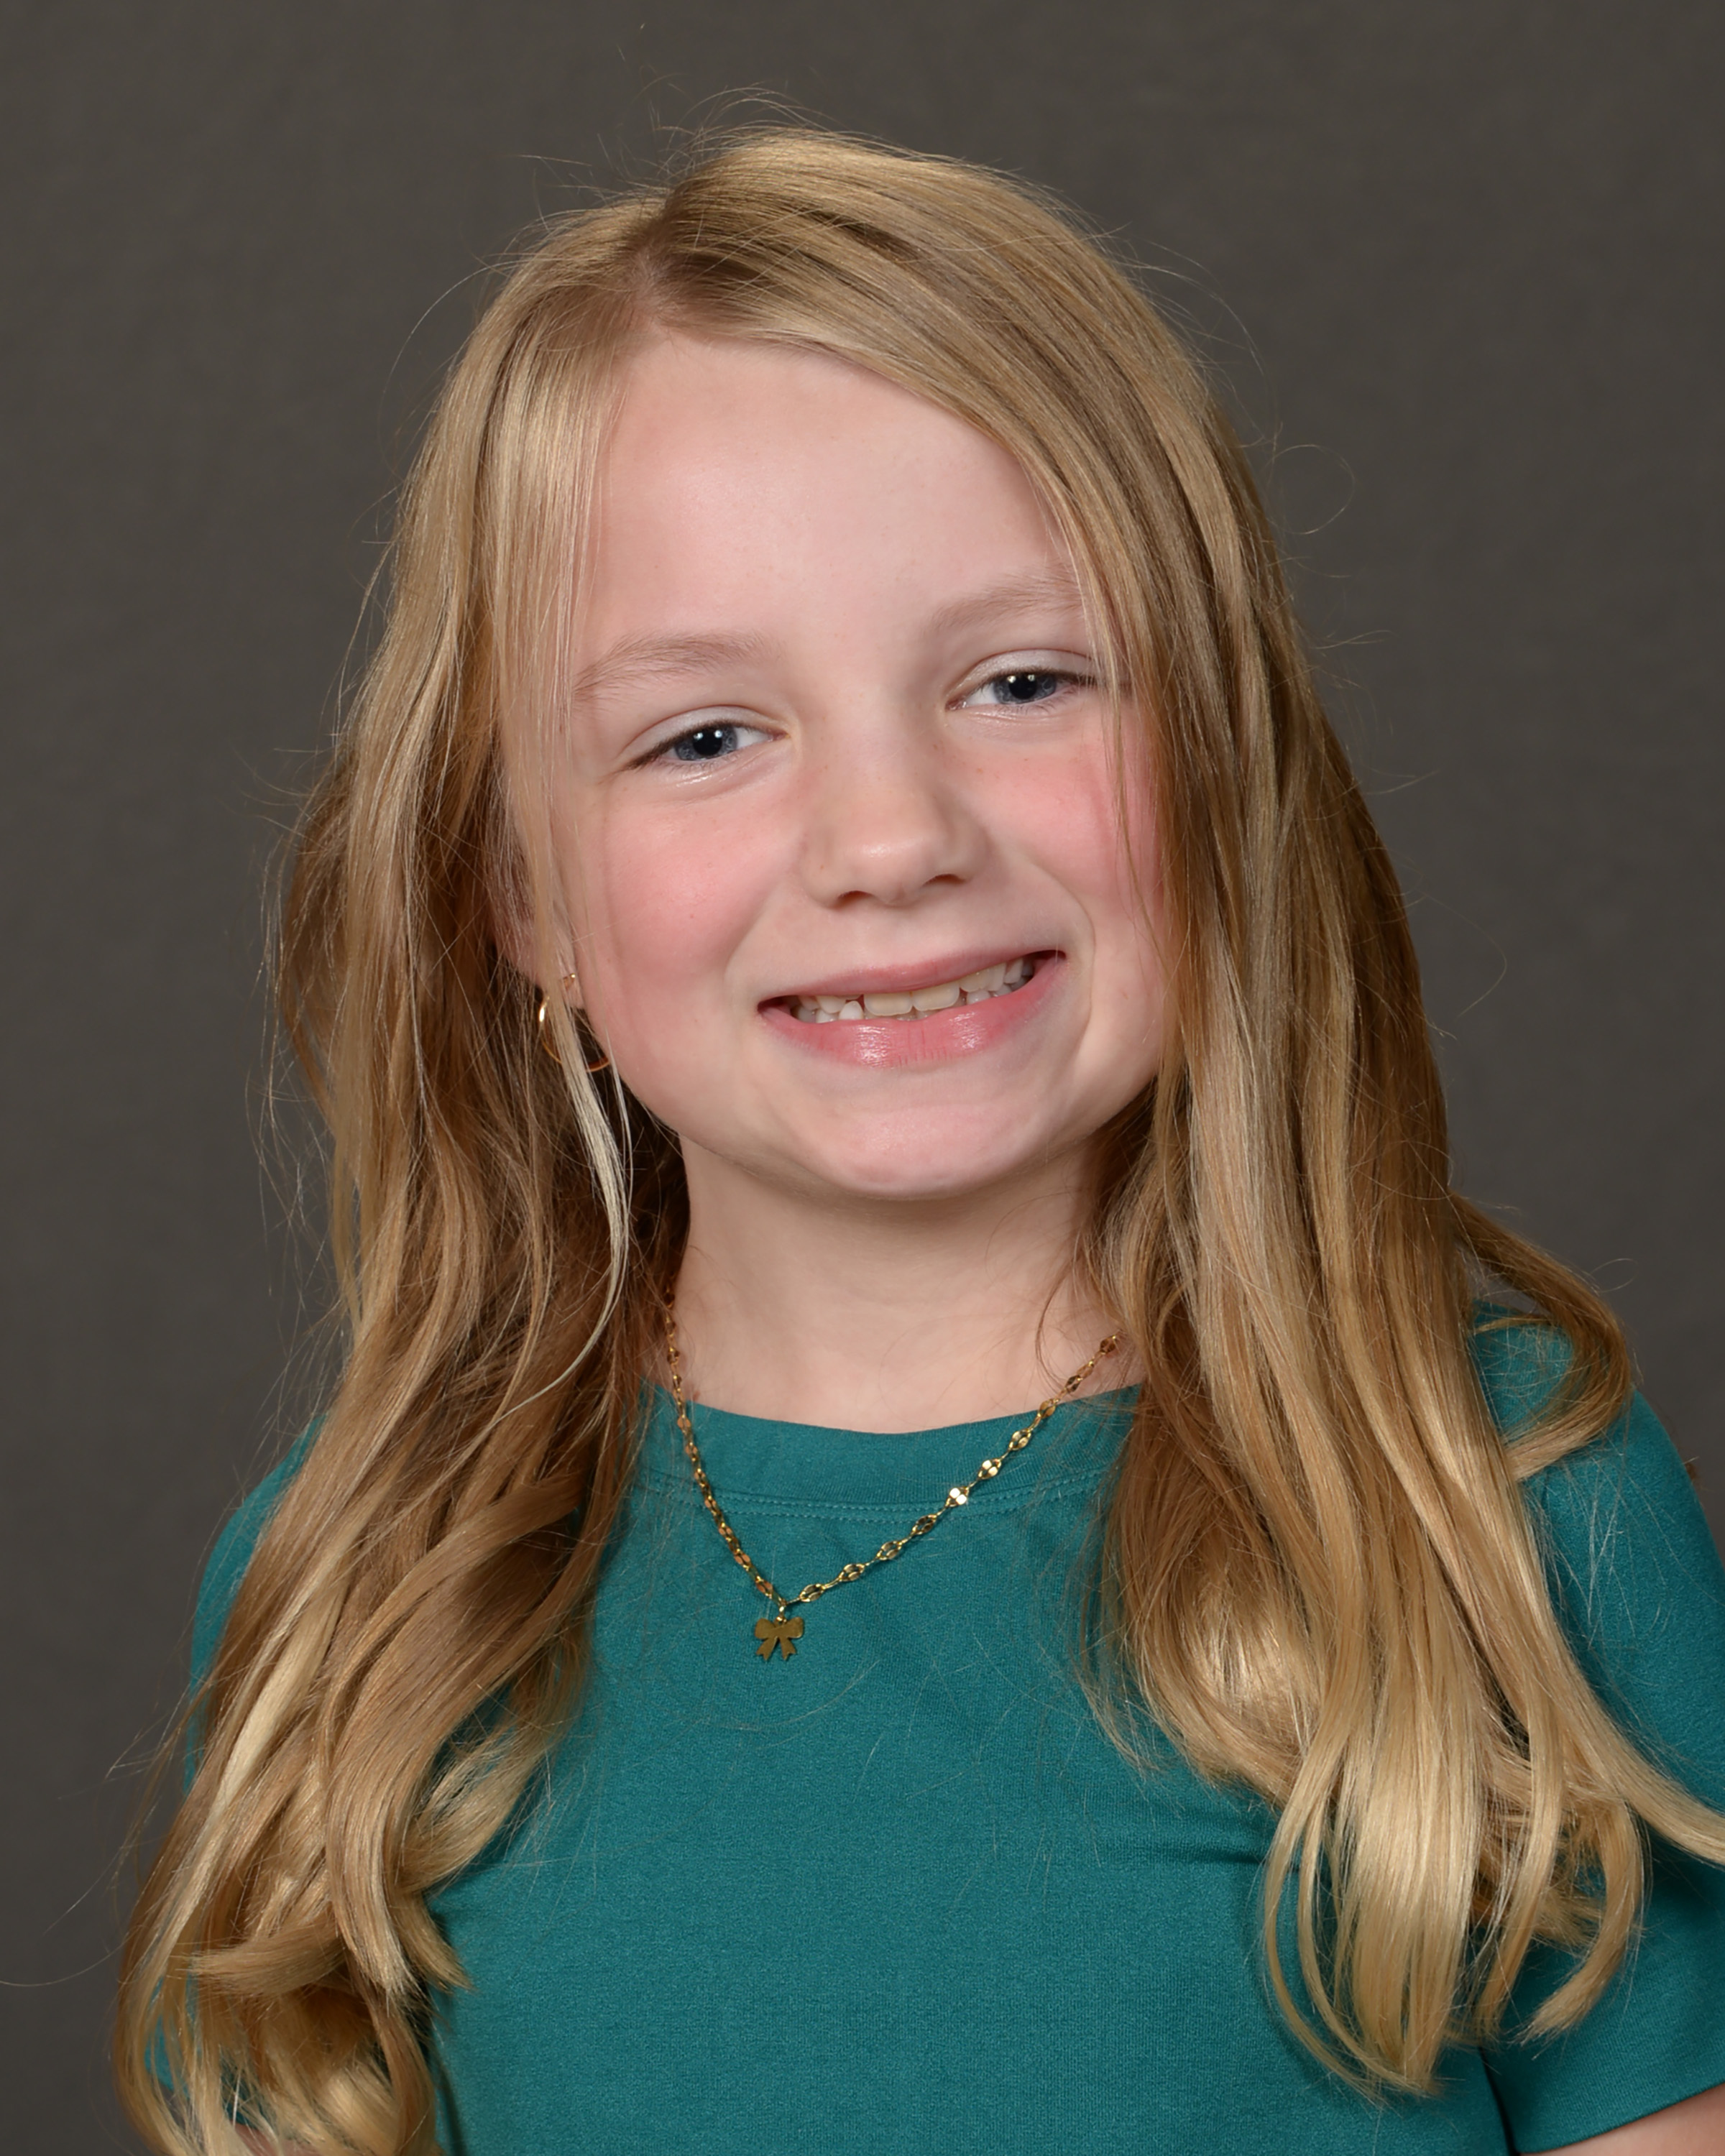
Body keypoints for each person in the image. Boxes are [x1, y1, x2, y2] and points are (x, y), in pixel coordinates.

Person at [116, 129, 1725, 2155]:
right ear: (520, 897)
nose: (892, 840)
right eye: (707, 736)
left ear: (1225, 769)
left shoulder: (1496, 1511)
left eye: (1023, 681)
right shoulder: (367, 1590)